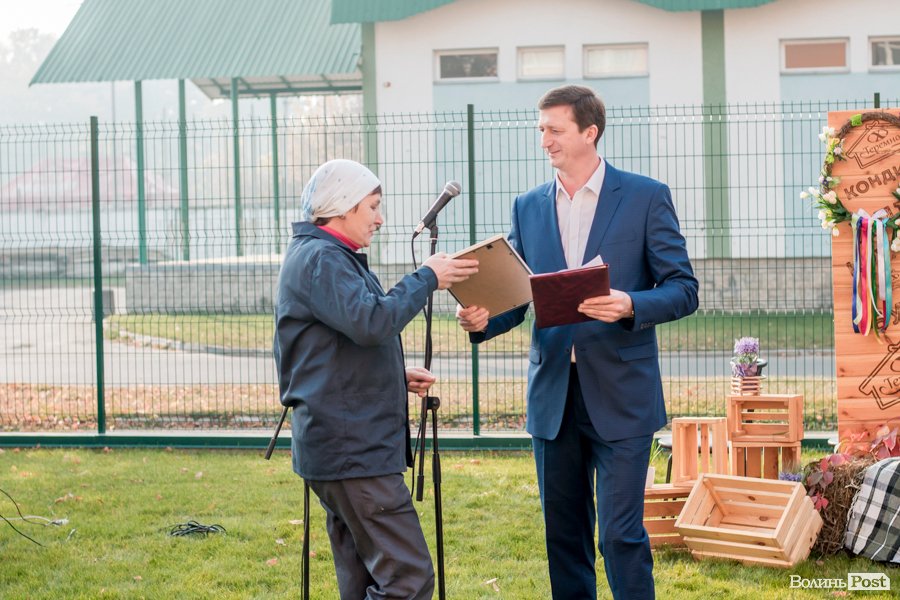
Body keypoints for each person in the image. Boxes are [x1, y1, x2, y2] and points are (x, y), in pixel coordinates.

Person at [457, 85, 698, 600]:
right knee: (564, 536)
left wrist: (629, 304)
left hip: (622, 394)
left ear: (590, 132)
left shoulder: (645, 196)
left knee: (620, 535)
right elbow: (519, 298)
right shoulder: (528, 206)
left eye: (555, 129)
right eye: (541, 129)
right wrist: (481, 320)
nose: (544, 140)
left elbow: (683, 289)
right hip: (553, 396)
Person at [274, 159, 478, 600]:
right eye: (373, 206)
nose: (380, 219)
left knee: (362, 580)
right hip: (353, 452)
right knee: (408, 580)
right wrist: (427, 278)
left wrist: (393, 376)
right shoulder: (323, 259)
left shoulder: (325, 257)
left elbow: (334, 345)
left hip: (342, 447)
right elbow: (371, 322)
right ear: (342, 207)